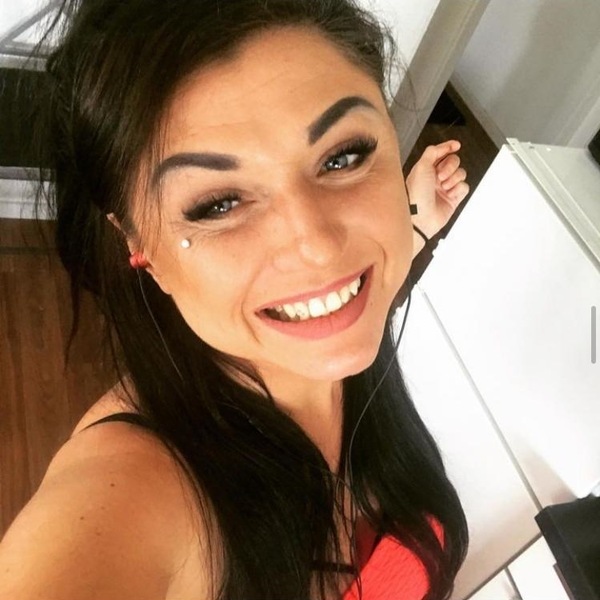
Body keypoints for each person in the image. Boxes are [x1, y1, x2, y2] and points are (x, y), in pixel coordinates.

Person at [0, 1, 471, 598]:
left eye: (343, 156)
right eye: (218, 204)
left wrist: (415, 223)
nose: (319, 248)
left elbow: (351, 280)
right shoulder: (135, 489)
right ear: (139, 244)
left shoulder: (338, 323)